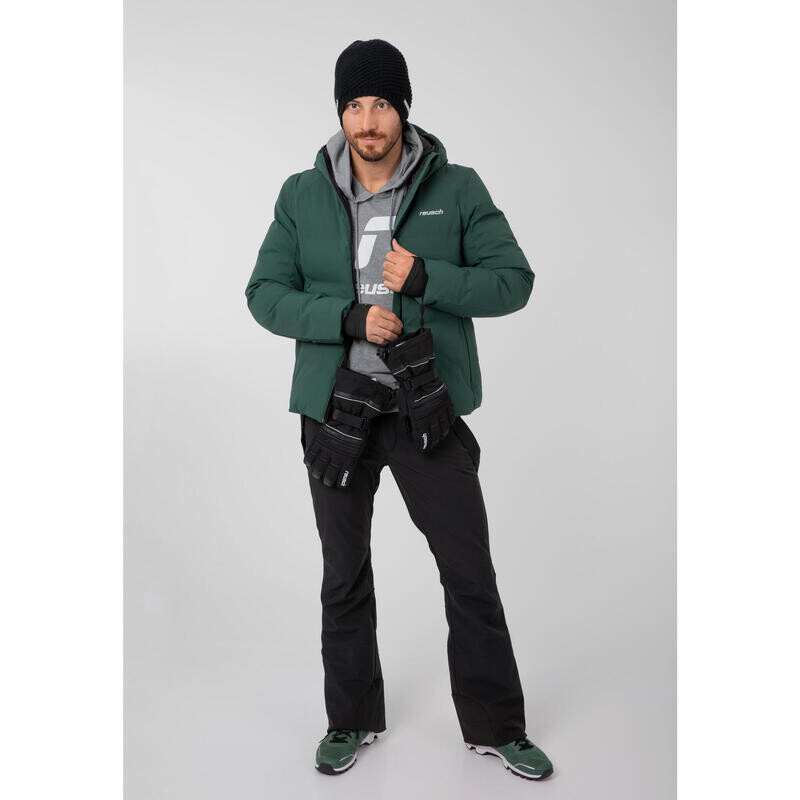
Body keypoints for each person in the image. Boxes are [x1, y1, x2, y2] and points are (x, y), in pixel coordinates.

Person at [244, 38, 554, 781]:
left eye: (381, 102)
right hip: (335, 410)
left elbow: (513, 281)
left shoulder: (458, 186)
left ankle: (498, 727)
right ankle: (350, 719)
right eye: (353, 104)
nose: (367, 120)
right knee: (343, 573)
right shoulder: (301, 193)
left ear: (403, 109)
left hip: (425, 408)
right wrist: (345, 318)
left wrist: (426, 278)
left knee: (468, 570)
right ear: (340, 113)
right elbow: (264, 294)